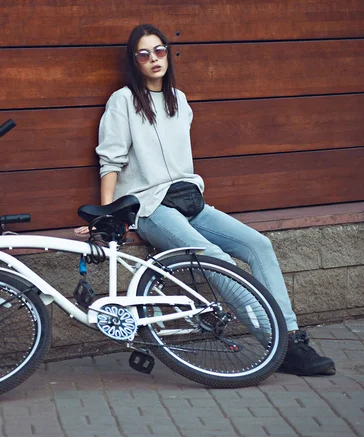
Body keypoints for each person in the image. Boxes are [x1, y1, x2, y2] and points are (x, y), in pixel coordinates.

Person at [76, 23, 335, 376]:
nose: (154, 59)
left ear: (168, 53)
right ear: (134, 61)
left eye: (159, 50)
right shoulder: (122, 101)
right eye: (144, 53)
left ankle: (290, 334)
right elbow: (111, 161)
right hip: (153, 207)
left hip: (190, 200)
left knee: (259, 245)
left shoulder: (179, 101)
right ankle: (277, 345)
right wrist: (106, 216)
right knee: (213, 258)